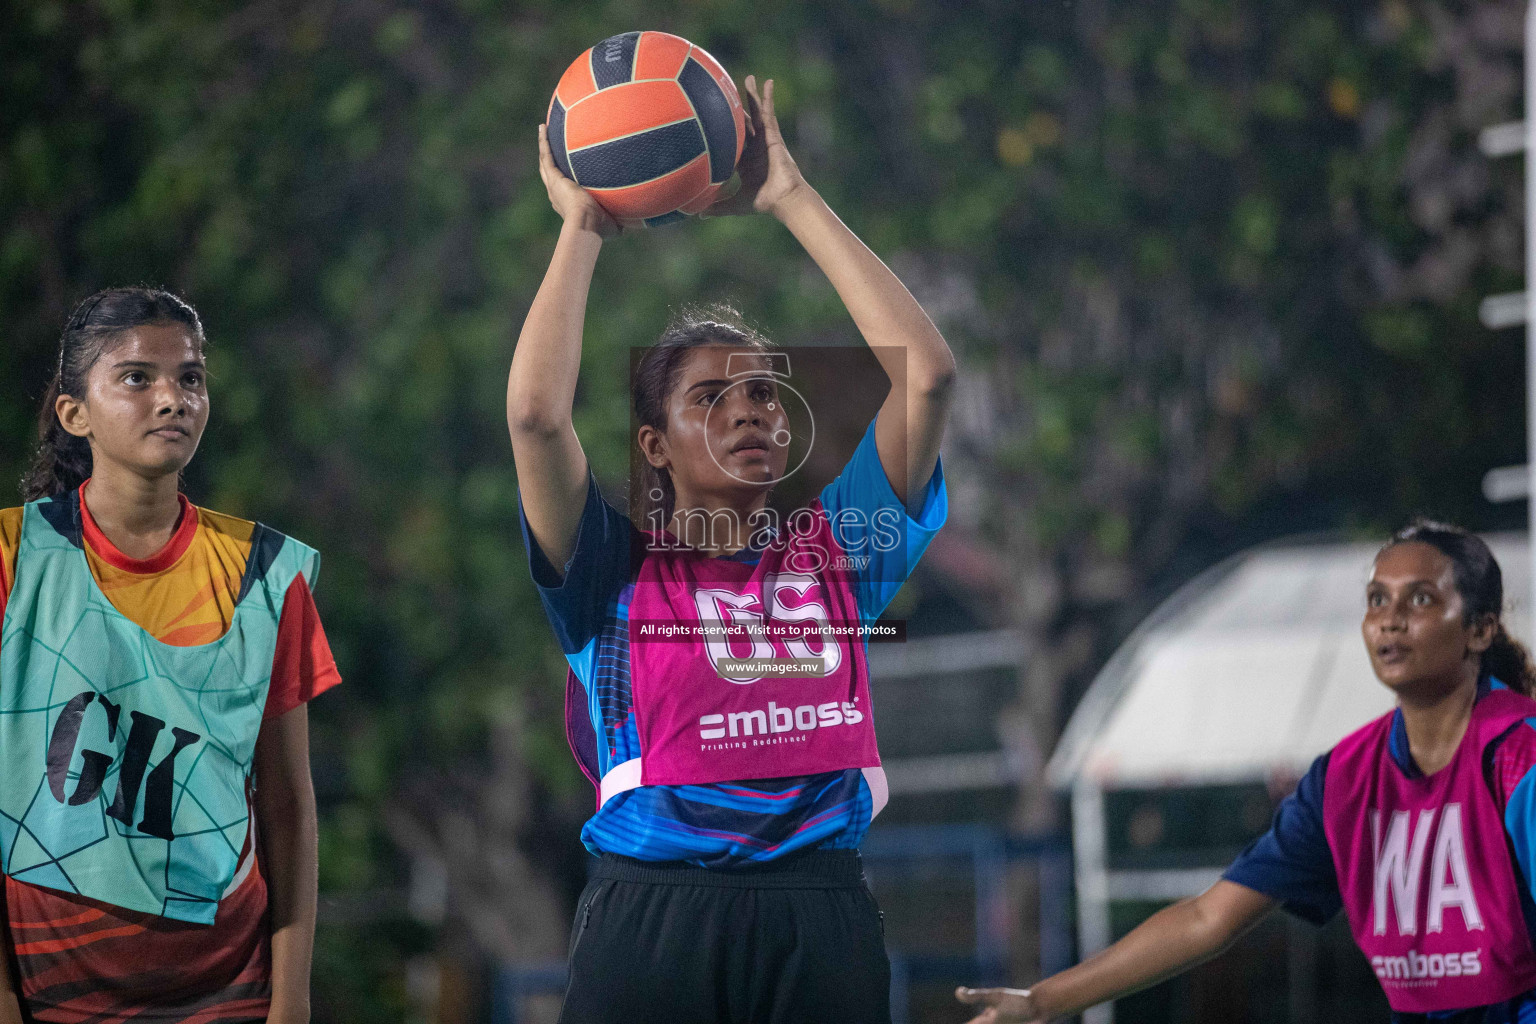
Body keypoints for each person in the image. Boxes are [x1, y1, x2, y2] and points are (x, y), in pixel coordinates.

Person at [510, 74, 955, 1023]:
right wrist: (582, 228)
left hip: (819, 910)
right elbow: (535, 417)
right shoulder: (610, 573)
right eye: (708, 398)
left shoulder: (840, 550)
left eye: (761, 392)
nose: (747, 409)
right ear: (654, 445)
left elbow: (929, 378)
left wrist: (789, 196)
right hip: (652, 917)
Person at [957, 521, 1536, 1024]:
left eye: (1421, 601)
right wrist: (1042, 1001)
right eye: (1377, 600)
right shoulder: (1345, 779)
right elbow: (1209, 918)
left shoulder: (1519, 756)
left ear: (1480, 630)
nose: (1389, 621)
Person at [0, 288, 342, 1023]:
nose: (172, 398)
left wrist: (293, 999)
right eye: (136, 378)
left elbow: (287, 801)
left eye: (189, 377)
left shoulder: (264, 573)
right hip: (50, 987)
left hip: (224, 991)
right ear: (74, 414)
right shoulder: (11, 560)